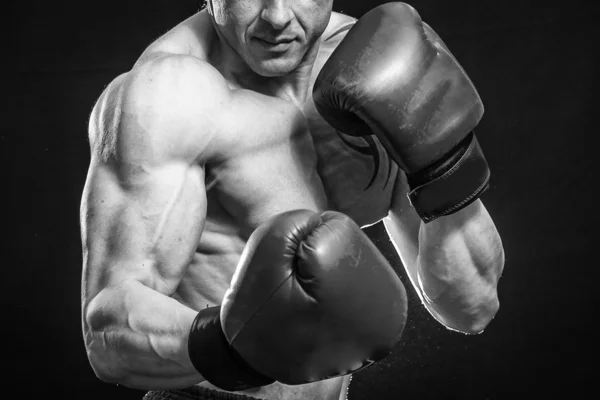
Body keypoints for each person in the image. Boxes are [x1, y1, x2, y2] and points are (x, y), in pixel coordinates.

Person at [80, 1, 506, 399]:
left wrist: (445, 166)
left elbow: (471, 306)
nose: (277, 16)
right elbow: (106, 336)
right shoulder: (170, 93)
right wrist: (236, 347)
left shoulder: (386, 63)